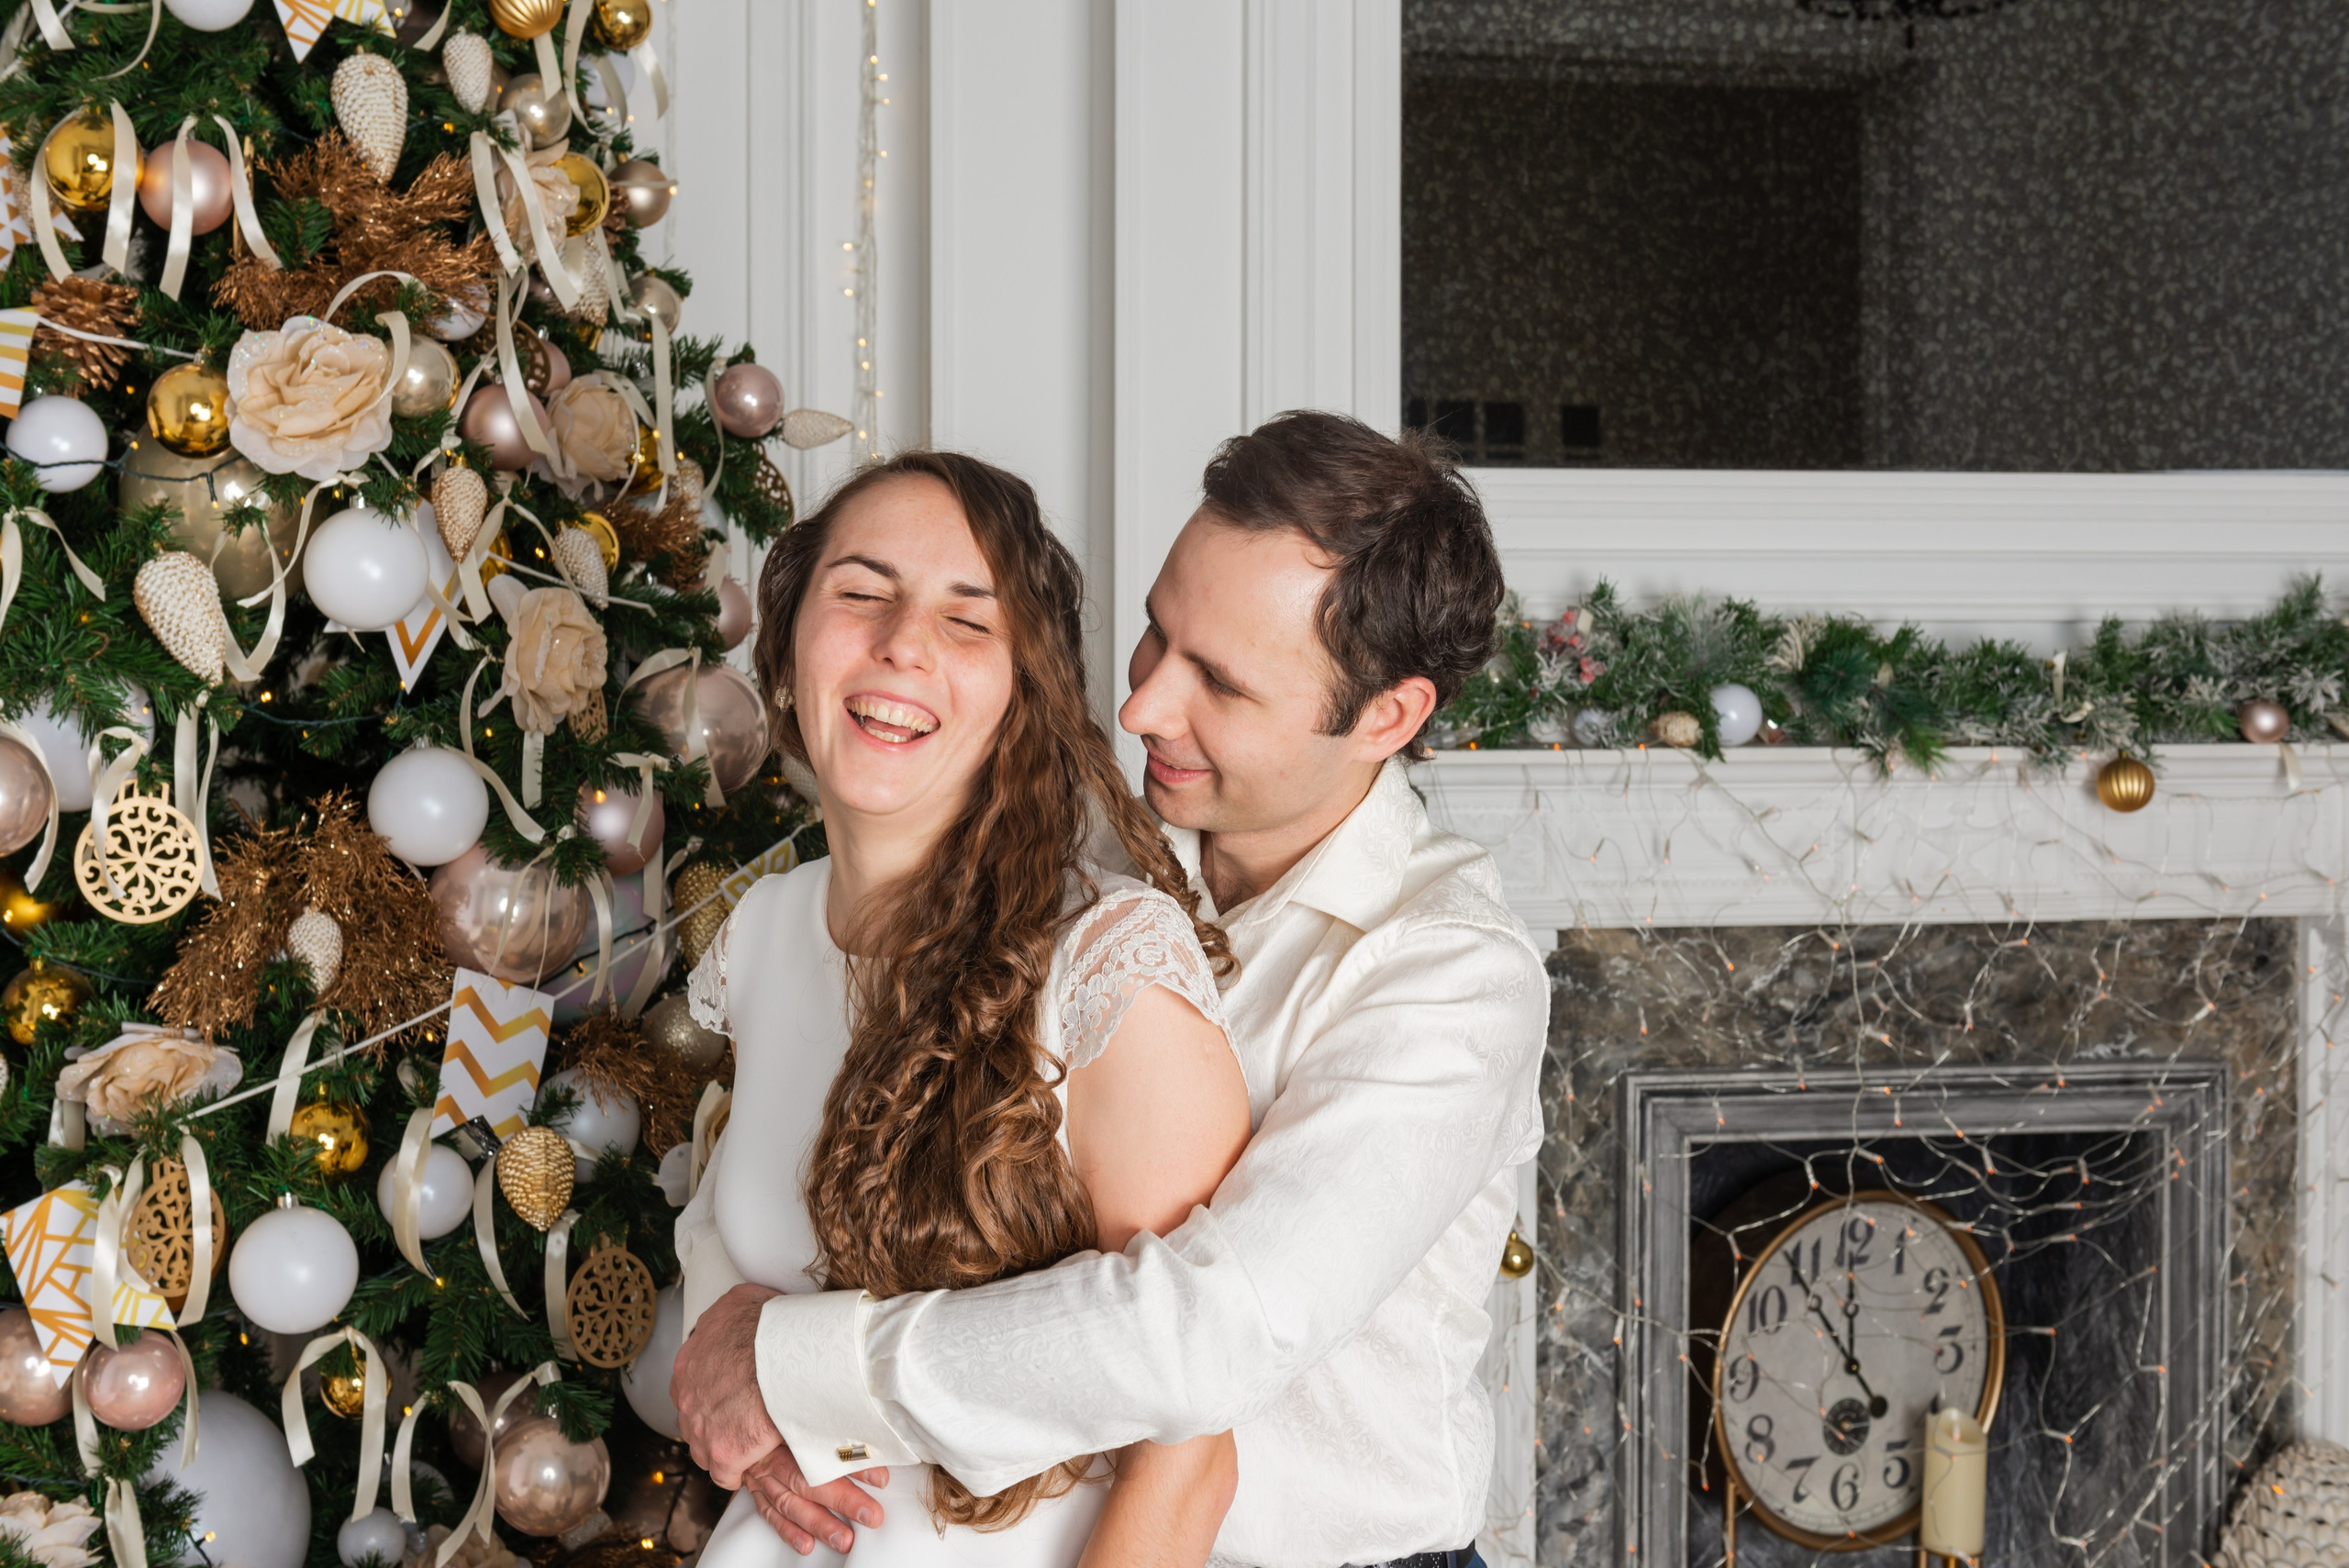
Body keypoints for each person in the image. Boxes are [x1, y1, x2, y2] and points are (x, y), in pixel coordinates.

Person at [674, 411, 1551, 1568]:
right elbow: (777, 1136)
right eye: (1155, 634)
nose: (1138, 708)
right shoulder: (1064, 851)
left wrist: (804, 1365)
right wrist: (727, 1336)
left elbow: (1209, 1333)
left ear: (1385, 715)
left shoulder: (1453, 975)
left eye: (1221, 685)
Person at [674, 450, 1255, 1566]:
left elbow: (1194, 1448)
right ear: (789, 645)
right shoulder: (763, 930)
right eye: (861, 591)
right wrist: (738, 1377)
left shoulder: (1106, 958)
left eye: (967, 621)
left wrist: (793, 1368)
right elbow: (740, 1236)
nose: (901, 642)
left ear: (1021, 694)